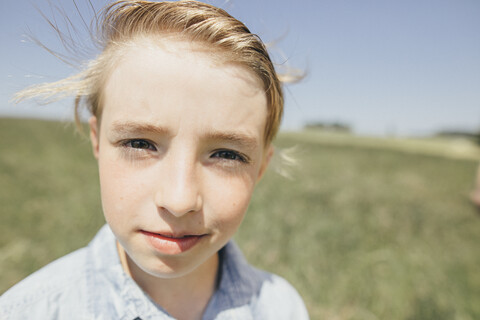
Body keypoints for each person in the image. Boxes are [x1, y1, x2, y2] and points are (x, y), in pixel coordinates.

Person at [0, 1, 309, 319]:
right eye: (140, 143)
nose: (179, 201)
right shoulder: (28, 311)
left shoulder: (281, 307)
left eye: (227, 154)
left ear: (260, 167)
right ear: (97, 140)